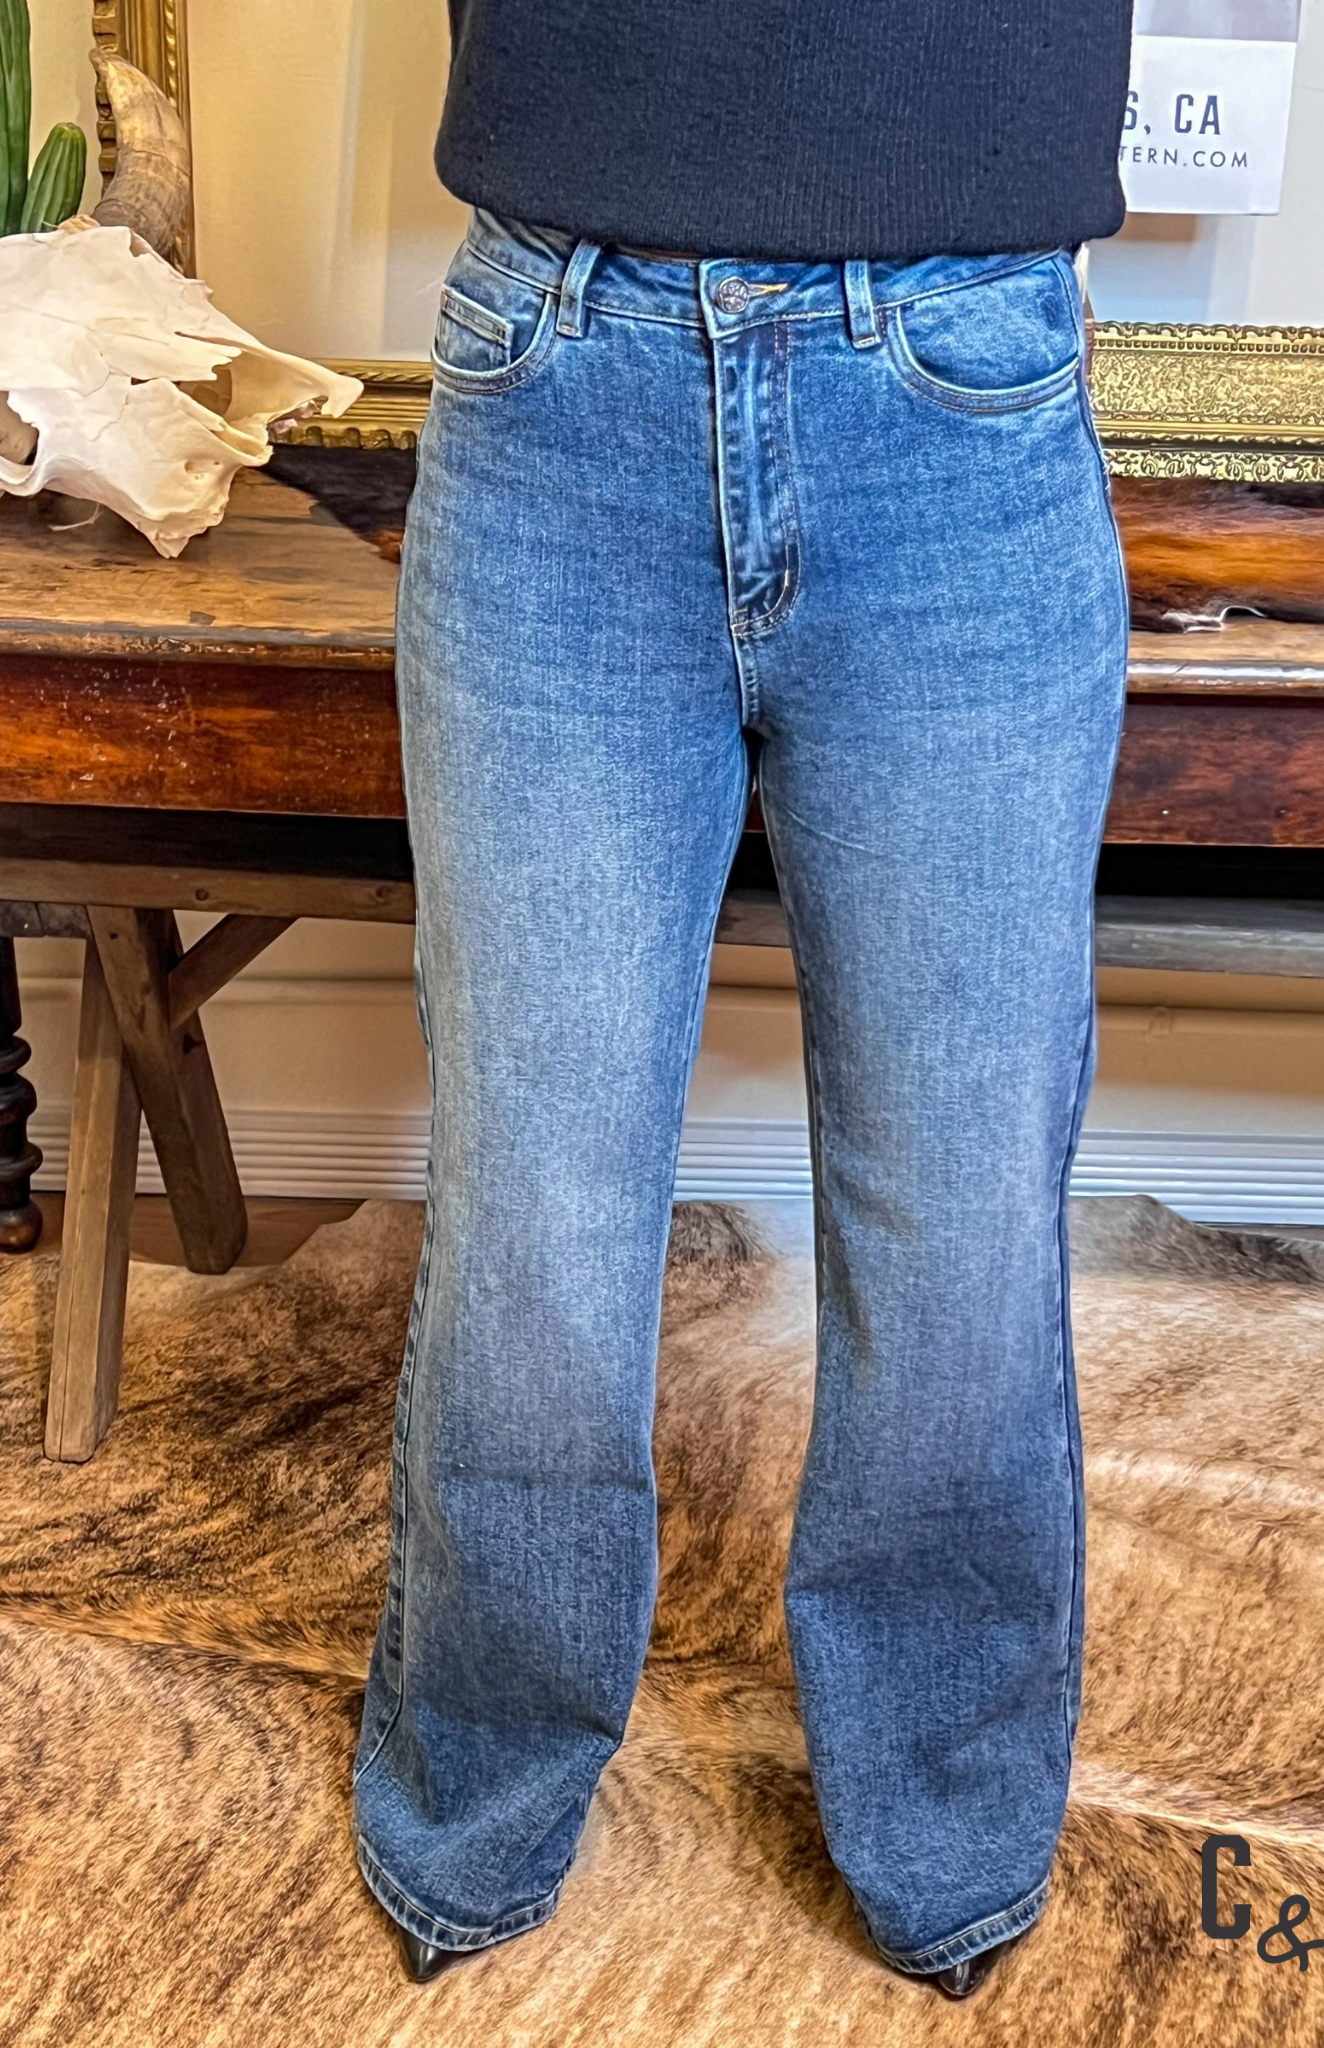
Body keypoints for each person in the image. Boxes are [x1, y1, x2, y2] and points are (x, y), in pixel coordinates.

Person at [354, 0, 1134, 2001]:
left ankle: (947, 1823)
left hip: (959, 380)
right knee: (534, 1207)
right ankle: (482, 1782)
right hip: (555, 375)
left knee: (957, 1213)